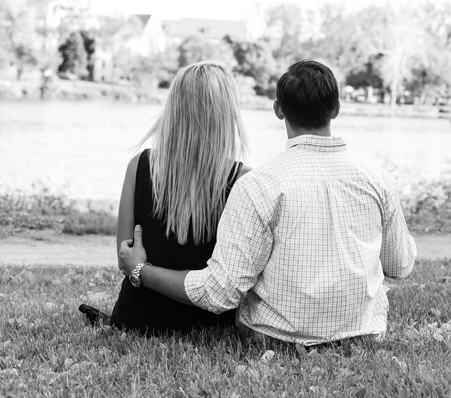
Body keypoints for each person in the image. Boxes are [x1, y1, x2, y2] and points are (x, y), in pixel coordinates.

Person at [118, 60, 417, 346]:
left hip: (262, 334)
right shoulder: (378, 179)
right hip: (360, 333)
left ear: (278, 110)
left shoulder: (258, 184)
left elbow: (213, 289)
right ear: (336, 109)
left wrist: (139, 271)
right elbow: (400, 265)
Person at [80, 61, 251, 334]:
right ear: (226, 113)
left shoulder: (140, 165)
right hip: (208, 326)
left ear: (173, 108)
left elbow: (125, 257)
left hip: (136, 320)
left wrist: (140, 269)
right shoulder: (243, 178)